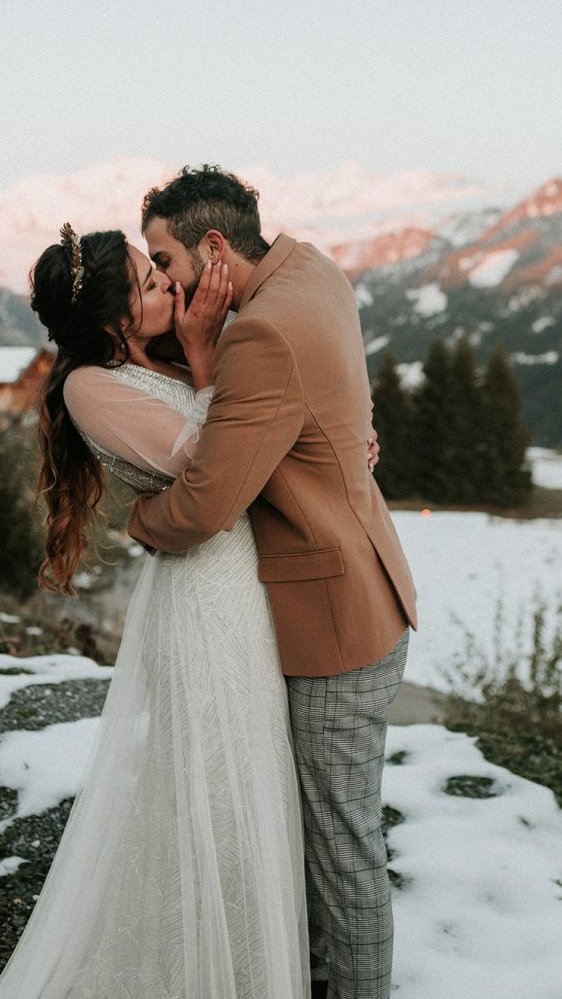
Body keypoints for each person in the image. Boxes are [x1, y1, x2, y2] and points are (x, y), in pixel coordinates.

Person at [0, 224, 311, 999]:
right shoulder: (89, 386)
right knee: (219, 792)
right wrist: (201, 354)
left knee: (250, 780)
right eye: (144, 278)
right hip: (201, 598)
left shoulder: (149, 358)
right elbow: (208, 458)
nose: (165, 281)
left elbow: (265, 415)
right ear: (110, 321)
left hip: (241, 584)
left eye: (154, 265)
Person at [130, 166, 419, 999]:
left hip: (334, 624)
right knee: (330, 836)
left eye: (166, 259)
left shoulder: (262, 336)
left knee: (342, 849)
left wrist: (137, 521)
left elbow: (205, 504)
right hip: (369, 581)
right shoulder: (311, 270)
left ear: (213, 248)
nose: (166, 281)